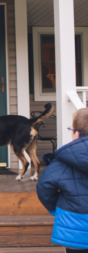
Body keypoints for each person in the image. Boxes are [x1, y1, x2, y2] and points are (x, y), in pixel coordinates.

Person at [37, 108, 88, 252]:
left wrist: (56, 208)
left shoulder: (62, 160)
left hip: (74, 228)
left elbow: (44, 187)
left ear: (76, 134)